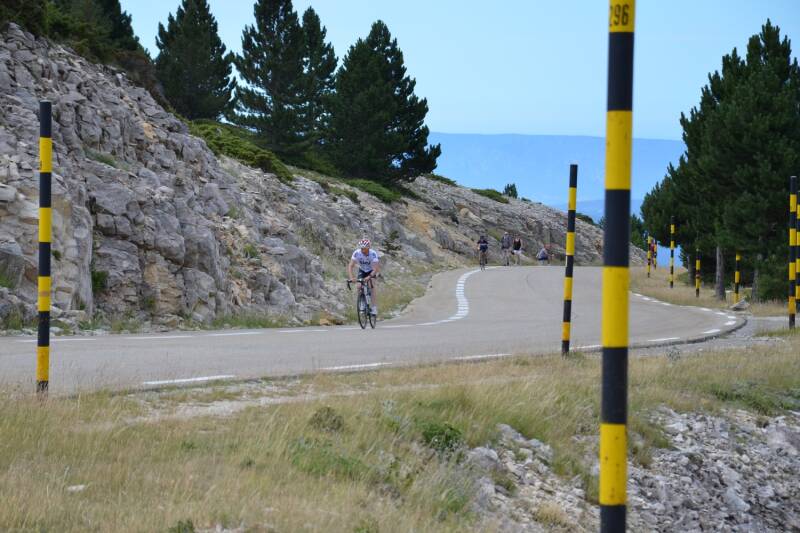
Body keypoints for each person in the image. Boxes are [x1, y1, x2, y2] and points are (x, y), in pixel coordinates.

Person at [347, 238, 380, 316]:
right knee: (359, 286)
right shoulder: (356, 253)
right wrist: (352, 277)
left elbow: (376, 269)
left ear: (368, 248)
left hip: (371, 271)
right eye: (361, 248)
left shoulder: (373, 254)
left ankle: (374, 308)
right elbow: (350, 266)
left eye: (364, 249)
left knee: (371, 285)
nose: (363, 250)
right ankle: (362, 303)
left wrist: (369, 277)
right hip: (362, 270)